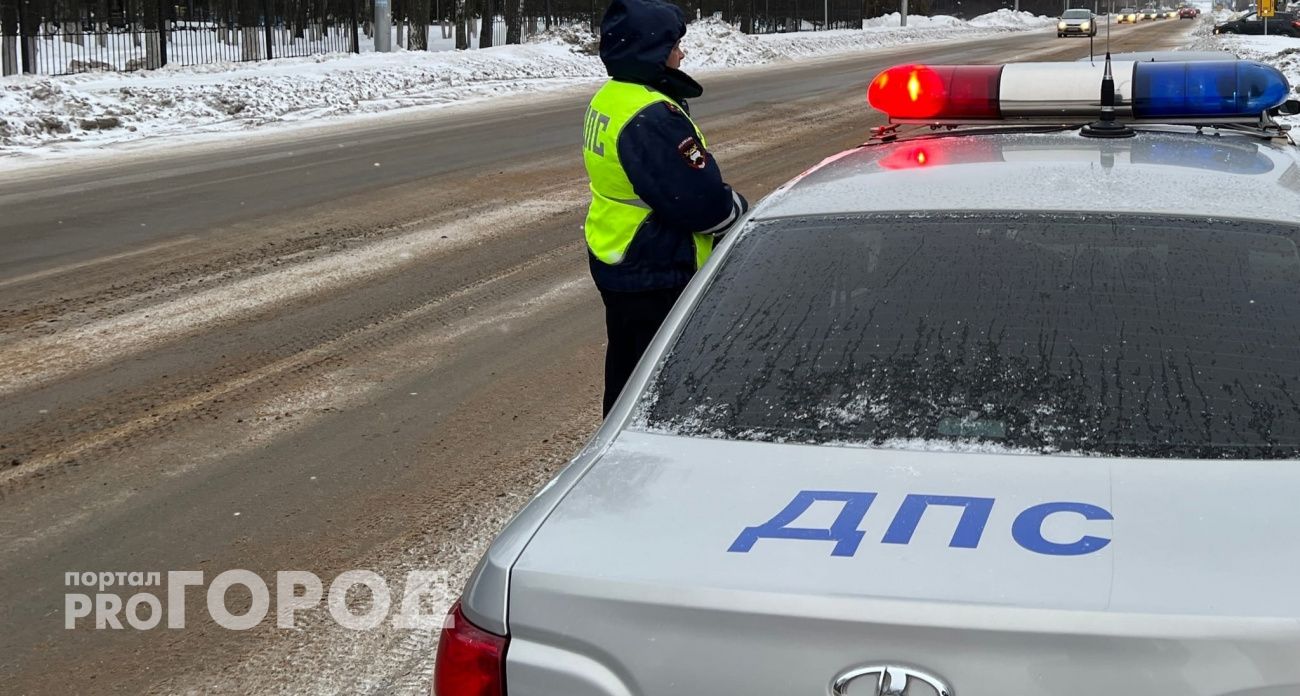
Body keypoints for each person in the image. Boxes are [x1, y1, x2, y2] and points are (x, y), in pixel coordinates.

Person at [583, 0, 748, 417]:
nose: (681, 54)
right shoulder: (651, 115)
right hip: (655, 267)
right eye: (674, 44)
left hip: (619, 252)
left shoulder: (613, 96)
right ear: (651, 51)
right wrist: (738, 209)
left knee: (627, 373)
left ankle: (615, 446)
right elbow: (703, 205)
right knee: (659, 388)